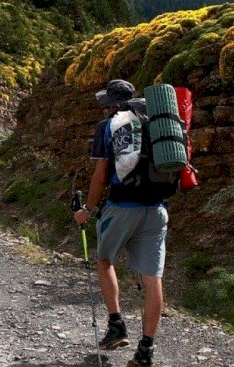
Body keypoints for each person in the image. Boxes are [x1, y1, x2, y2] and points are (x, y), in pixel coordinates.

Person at [74, 79, 168, 366]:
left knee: (104, 261)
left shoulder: (109, 126)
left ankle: (116, 326)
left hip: (122, 206)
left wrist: (87, 209)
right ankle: (146, 350)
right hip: (156, 209)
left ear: (111, 104)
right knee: (153, 280)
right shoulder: (157, 122)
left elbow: (101, 174)